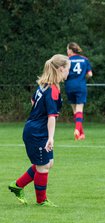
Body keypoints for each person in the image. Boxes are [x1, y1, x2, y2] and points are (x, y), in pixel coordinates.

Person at [8, 54, 70, 207]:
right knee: (43, 166)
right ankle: (41, 201)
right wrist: (51, 137)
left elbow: (33, 101)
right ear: (61, 69)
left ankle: (17, 185)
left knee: (48, 163)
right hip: (37, 132)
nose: (69, 72)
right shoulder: (52, 89)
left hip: (34, 128)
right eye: (68, 69)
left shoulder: (44, 85)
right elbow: (51, 117)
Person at [65, 42, 93, 140]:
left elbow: (65, 74)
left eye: (67, 49)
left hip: (69, 86)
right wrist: (82, 77)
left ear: (71, 50)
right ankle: (77, 129)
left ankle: (81, 134)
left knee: (74, 110)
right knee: (79, 109)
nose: (67, 51)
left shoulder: (67, 60)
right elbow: (90, 74)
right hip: (81, 86)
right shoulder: (85, 60)